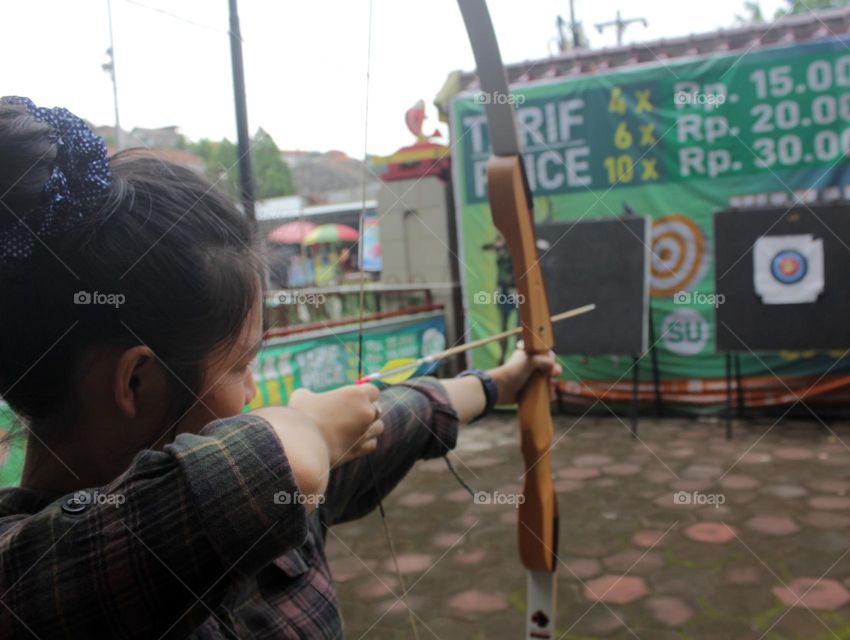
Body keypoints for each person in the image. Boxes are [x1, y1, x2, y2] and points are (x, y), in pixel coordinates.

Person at [0, 97, 560, 639]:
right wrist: (306, 430)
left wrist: (501, 382)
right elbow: (273, 467)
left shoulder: (276, 498)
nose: (252, 388)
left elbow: (400, 414)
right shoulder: (25, 581)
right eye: (242, 364)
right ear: (137, 383)